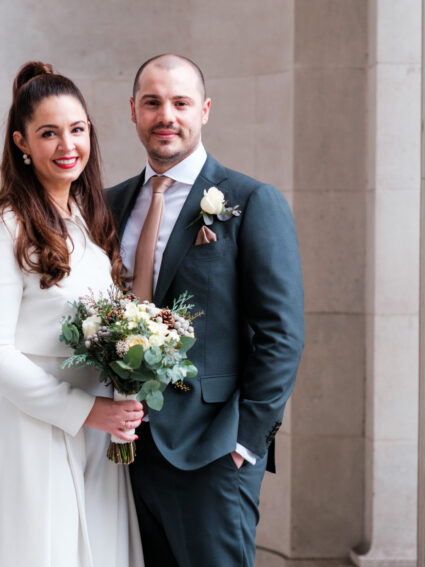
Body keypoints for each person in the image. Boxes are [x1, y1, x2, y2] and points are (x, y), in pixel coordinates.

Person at [105, 54, 305, 566]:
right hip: (120, 451)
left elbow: (281, 335)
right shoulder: (107, 205)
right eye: (152, 102)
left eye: (180, 102)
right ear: (133, 110)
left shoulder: (251, 201)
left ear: (205, 110)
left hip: (211, 451)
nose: (165, 115)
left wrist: (245, 443)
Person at [0, 61, 145, 567]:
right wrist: (88, 412)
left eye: (77, 129)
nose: (68, 146)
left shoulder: (88, 224)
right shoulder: (3, 228)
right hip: (33, 431)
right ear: (22, 142)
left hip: (98, 434)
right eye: (49, 133)